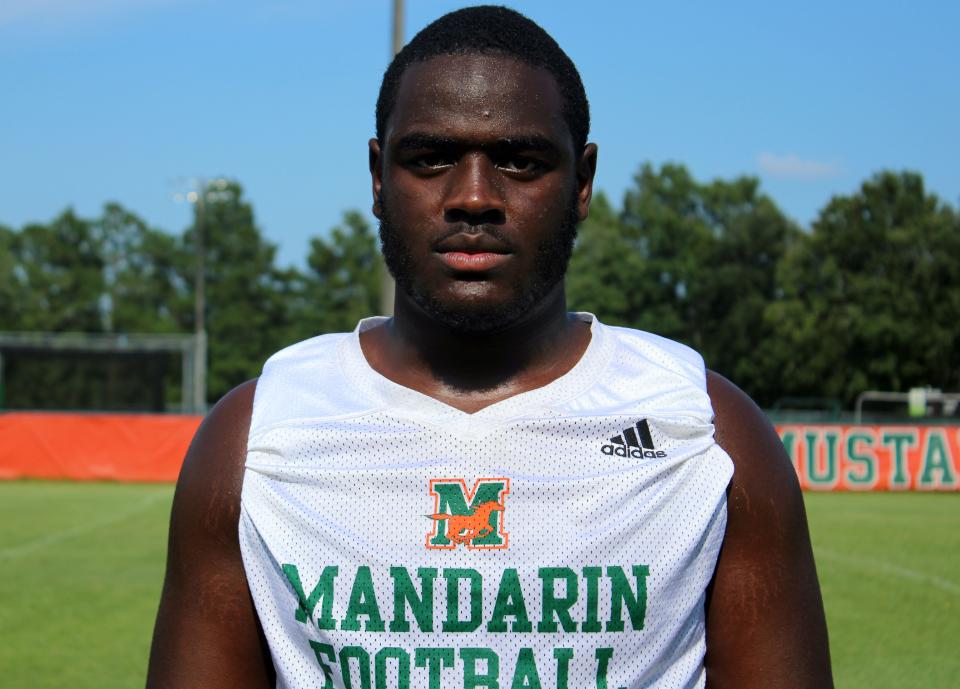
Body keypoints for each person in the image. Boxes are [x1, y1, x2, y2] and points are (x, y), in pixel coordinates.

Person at [146, 6, 833, 688]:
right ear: (379, 176)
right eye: (432, 157)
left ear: (583, 182)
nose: (474, 197)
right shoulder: (255, 441)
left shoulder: (711, 436)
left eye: (520, 161)